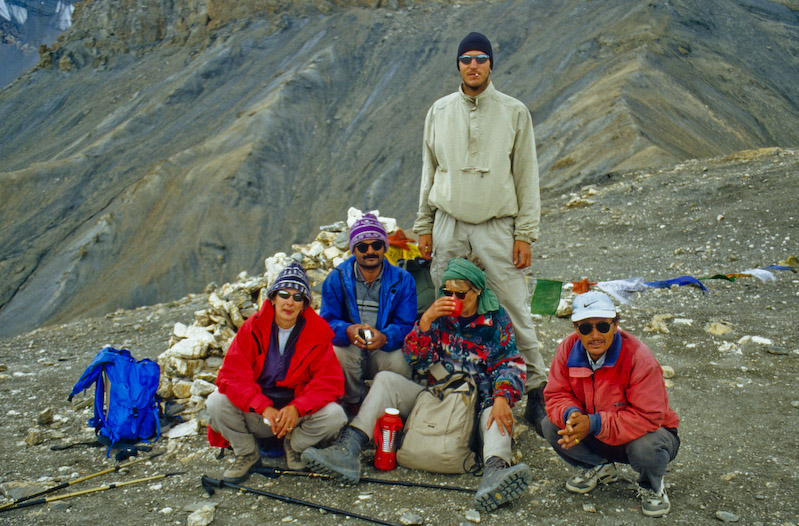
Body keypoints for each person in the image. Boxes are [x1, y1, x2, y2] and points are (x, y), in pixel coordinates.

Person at [303, 258, 532, 512]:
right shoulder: (439, 316)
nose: (453, 298)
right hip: (436, 394)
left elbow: (511, 363)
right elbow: (416, 359)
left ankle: (495, 472)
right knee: (386, 381)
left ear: (477, 291)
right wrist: (425, 323)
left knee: (496, 412)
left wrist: (502, 396)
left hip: (477, 400)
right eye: (448, 292)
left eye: (460, 293)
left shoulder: (496, 318)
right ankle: (349, 448)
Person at [412, 31, 548, 434]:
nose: (473, 65)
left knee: (513, 303)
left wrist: (525, 232)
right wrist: (424, 226)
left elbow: (526, 175)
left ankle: (536, 390)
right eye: (466, 58)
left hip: (496, 225)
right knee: (446, 303)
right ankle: (446, 384)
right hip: (448, 221)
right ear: (457, 64)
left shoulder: (514, 112)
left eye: (481, 58)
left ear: (491, 64)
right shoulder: (439, 111)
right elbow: (429, 170)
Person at [543, 291, 680, 517]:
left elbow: (649, 416)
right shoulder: (567, 349)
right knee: (551, 424)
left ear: (615, 325)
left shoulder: (638, 357)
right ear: (576, 329)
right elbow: (556, 394)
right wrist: (572, 416)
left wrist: (594, 423)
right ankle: (599, 467)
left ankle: (652, 487)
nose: (595, 335)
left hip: (645, 434)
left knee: (647, 447)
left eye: (603, 327)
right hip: (598, 431)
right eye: (586, 328)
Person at [206, 262, 347, 483]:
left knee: (335, 415)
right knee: (216, 402)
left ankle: (294, 445)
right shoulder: (251, 328)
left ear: (305, 304)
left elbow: (328, 382)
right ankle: (247, 453)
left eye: (298, 297)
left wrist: (297, 409)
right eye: (284, 294)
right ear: (273, 298)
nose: (290, 302)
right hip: (260, 415)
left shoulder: (318, 333)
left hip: (297, 418)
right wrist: (263, 407)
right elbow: (232, 376)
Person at [320, 214, 416, 416]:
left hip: (383, 347)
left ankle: (389, 409)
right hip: (351, 345)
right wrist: (347, 330)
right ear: (353, 250)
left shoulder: (403, 279)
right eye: (363, 247)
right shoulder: (336, 278)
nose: (370, 251)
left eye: (376, 245)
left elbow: (406, 324)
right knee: (336, 353)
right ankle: (351, 404)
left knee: (400, 359)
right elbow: (326, 322)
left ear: (384, 248)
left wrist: (385, 337)